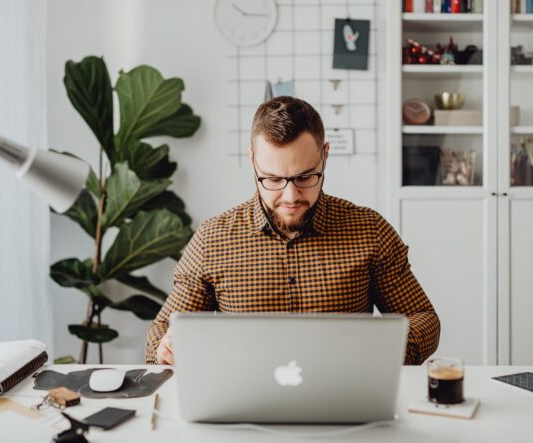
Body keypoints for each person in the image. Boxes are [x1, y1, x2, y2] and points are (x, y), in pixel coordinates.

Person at [145, 96, 439, 365]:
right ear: (252, 162)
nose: (290, 197)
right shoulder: (213, 239)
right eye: (272, 179)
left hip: (344, 400)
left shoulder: (369, 230)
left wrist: (381, 351)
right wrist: (166, 347)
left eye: (305, 177)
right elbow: (162, 330)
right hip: (243, 405)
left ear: (325, 156)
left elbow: (424, 319)